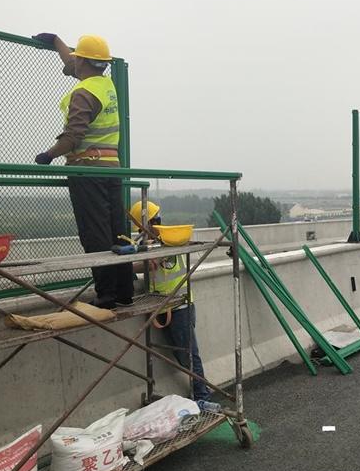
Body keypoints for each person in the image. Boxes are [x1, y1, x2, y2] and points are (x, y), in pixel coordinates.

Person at [32, 33, 133, 309]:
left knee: (95, 233)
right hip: (111, 169)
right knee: (118, 230)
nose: (73, 61)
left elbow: (73, 137)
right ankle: (124, 292)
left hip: (87, 170)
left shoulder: (83, 94)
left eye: (78, 58)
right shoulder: (105, 84)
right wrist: (56, 41)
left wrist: (48, 155)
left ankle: (107, 295)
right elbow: (72, 64)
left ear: (84, 63)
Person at [129, 201, 221, 414]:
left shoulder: (166, 240)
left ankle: (202, 396)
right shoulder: (152, 241)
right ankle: (200, 392)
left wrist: (124, 265)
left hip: (179, 305)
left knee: (189, 354)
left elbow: (151, 264)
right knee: (182, 355)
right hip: (163, 305)